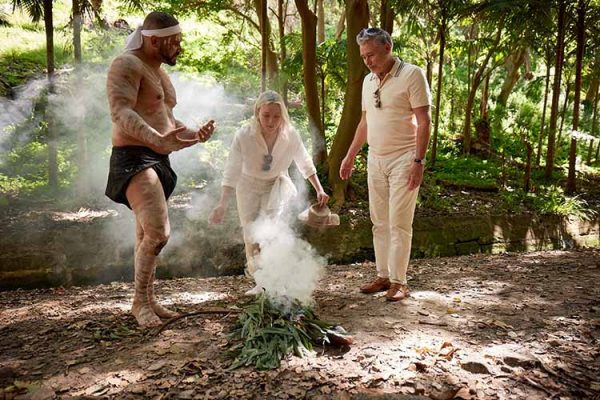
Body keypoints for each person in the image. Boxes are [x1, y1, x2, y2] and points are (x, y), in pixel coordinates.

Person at [105, 11, 216, 327]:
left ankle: (149, 299)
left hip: (158, 159)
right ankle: (140, 303)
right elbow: (120, 112)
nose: (179, 47)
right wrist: (157, 140)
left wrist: (195, 134)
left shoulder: (158, 73)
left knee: (146, 234)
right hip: (133, 158)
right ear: (154, 41)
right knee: (158, 232)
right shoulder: (126, 64)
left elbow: (164, 120)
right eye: (174, 41)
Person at [340, 28, 431, 302]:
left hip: (405, 158)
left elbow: (424, 121)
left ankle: (399, 281)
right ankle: (382, 275)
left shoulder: (412, 74)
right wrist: (350, 154)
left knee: (399, 223)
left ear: (388, 46)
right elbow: (365, 122)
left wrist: (419, 161)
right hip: (375, 159)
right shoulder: (368, 81)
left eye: (371, 54)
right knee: (378, 221)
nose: (367, 61)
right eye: (363, 56)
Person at [208, 90, 329, 294]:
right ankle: (259, 281)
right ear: (257, 113)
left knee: (270, 232)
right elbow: (232, 169)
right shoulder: (244, 135)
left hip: (275, 185)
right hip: (247, 186)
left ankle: (273, 280)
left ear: (283, 116)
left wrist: (319, 188)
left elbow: (304, 162)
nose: (271, 121)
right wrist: (222, 203)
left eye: (276, 116)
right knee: (250, 234)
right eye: (266, 115)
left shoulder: (290, 134)